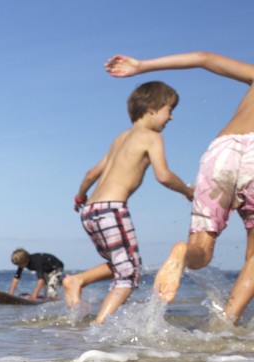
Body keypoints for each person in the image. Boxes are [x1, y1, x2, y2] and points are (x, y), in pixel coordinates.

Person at [105, 53, 254, 325]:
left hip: (221, 149)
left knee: (201, 250)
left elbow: (203, 58)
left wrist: (142, 66)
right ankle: (225, 324)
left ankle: (183, 252)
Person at [62, 80, 194, 323]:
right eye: (169, 110)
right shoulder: (152, 137)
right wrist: (187, 191)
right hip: (111, 210)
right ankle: (100, 326)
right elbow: (163, 176)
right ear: (153, 108)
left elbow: (92, 173)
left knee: (119, 262)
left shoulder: (121, 137)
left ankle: (77, 280)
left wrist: (80, 197)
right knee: (129, 274)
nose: (171, 118)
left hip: (90, 210)